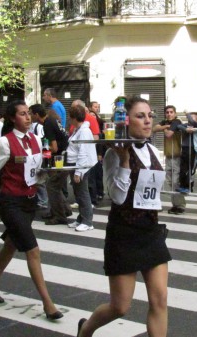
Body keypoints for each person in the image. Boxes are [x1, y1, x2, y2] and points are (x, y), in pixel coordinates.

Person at [77, 96, 171, 337]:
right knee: (120, 307)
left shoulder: (153, 150)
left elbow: (153, 192)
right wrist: (126, 160)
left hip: (150, 231)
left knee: (159, 300)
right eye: (141, 116)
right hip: (124, 233)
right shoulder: (113, 155)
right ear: (125, 121)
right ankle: (86, 330)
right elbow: (117, 198)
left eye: (150, 116)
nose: (148, 121)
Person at [0, 100, 62, 320]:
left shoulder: (35, 139)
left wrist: (47, 174)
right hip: (10, 203)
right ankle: (48, 303)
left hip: (29, 203)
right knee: (32, 250)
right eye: (23, 114)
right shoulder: (4, 144)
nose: (28, 117)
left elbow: (36, 172)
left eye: (28, 114)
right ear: (13, 119)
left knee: (10, 245)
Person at [33, 106, 70, 225]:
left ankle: (59, 215)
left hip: (60, 158)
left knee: (52, 186)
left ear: (37, 115)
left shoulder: (48, 124)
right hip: (64, 156)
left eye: (30, 113)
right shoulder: (52, 120)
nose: (29, 116)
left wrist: (41, 148)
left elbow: (54, 148)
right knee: (55, 185)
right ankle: (64, 210)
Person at [66, 104, 97, 231]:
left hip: (80, 166)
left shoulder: (83, 131)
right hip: (76, 165)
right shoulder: (78, 130)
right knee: (79, 193)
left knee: (83, 194)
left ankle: (88, 221)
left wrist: (79, 172)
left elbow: (83, 151)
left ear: (73, 118)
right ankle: (81, 218)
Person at [152, 105, 185, 215]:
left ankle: (180, 206)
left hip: (177, 156)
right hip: (169, 155)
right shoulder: (166, 122)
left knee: (176, 182)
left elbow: (169, 134)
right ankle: (175, 205)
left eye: (171, 112)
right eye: (167, 112)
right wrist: (165, 126)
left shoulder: (177, 121)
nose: (169, 114)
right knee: (170, 182)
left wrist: (164, 128)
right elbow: (154, 128)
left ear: (175, 113)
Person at [29, 104, 48, 210]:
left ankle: (44, 201)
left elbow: (43, 141)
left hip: (40, 156)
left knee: (40, 179)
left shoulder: (39, 126)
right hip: (32, 156)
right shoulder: (31, 126)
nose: (29, 115)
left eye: (30, 113)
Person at [177, 112, 197, 193]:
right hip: (185, 148)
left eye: (194, 117)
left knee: (190, 169)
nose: (191, 119)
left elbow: (193, 122)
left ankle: (189, 187)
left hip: (193, 149)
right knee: (183, 168)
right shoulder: (186, 125)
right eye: (190, 117)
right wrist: (186, 129)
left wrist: (187, 114)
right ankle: (182, 185)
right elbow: (178, 126)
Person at [88, 100, 105, 204]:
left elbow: (100, 141)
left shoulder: (100, 123)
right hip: (91, 153)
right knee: (92, 175)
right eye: (95, 107)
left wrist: (100, 154)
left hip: (97, 152)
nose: (97, 108)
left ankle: (99, 192)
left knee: (98, 173)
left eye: (98, 107)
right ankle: (94, 195)